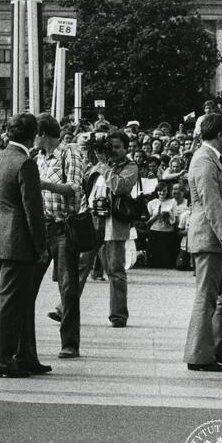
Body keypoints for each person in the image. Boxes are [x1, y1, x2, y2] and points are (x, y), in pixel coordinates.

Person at [0, 113, 48, 378]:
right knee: (11, 302)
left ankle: (26, 356)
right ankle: (0, 360)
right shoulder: (26, 164)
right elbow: (33, 209)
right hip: (18, 241)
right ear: (33, 135)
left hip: (0, 236)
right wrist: (41, 245)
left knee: (20, 301)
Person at [184, 114, 222, 373]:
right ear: (219, 135)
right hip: (211, 241)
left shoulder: (213, 159)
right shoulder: (203, 160)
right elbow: (212, 206)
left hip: (217, 241)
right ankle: (198, 356)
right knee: (206, 297)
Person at [31, 113, 84, 359]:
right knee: (28, 283)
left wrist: (43, 185)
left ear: (42, 134)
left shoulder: (68, 153)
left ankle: (70, 342)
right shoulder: (38, 157)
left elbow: (74, 189)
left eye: (34, 134)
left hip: (64, 226)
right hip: (42, 226)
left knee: (68, 286)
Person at [79, 131, 139, 328]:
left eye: (117, 147)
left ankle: (118, 315)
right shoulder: (98, 164)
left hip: (114, 221)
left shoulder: (130, 167)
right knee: (81, 265)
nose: (112, 151)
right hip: (93, 217)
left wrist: (104, 165)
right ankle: (65, 307)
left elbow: (119, 187)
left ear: (125, 148)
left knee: (115, 270)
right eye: (110, 146)